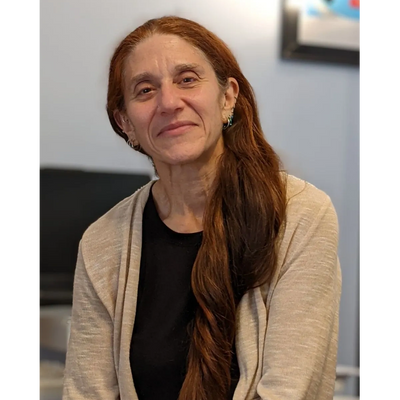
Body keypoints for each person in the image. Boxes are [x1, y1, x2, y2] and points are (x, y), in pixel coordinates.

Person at [62, 15, 342, 400]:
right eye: (145, 90)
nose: (169, 102)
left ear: (228, 96)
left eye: (187, 80)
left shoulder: (300, 215)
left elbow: (291, 390)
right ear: (125, 122)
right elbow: (86, 392)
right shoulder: (101, 244)